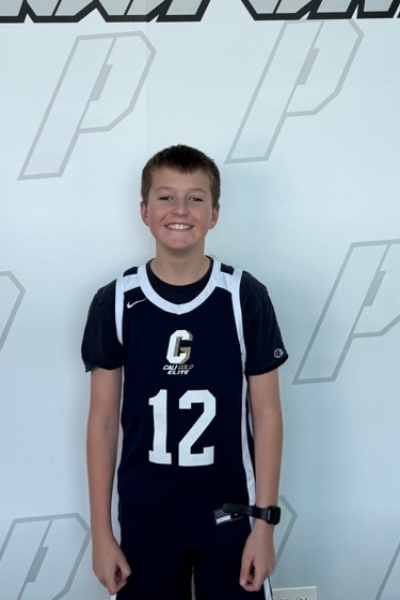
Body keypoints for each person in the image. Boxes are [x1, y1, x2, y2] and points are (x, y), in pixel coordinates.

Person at [81, 144, 288, 600]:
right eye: (165, 197)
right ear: (144, 211)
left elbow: (268, 415)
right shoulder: (115, 301)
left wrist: (264, 525)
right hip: (145, 521)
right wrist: (101, 534)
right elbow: (102, 422)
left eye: (195, 198)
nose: (180, 210)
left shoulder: (244, 296)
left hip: (232, 520)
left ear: (214, 214)